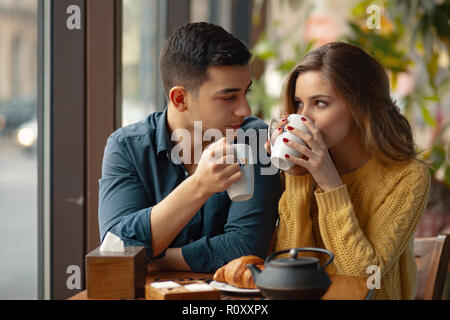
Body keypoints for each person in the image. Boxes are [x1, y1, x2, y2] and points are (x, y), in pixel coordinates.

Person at [98, 22, 282, 273]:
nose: (245, 110)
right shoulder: (128, 147)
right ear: (180, 99)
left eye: (245, 93)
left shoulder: (254, 139)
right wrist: (200, 186)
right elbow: (116, 249)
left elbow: (245, 248)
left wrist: (156, 259)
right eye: (229, 97)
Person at [265, 42, 430, 299]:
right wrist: (297, 178)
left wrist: (331, 185)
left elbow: (363, 279)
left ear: (359, 106)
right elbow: (292, 274)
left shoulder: (408, 176)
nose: (304, 117)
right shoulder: (305, 169)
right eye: (298, 103)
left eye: (320, 103)